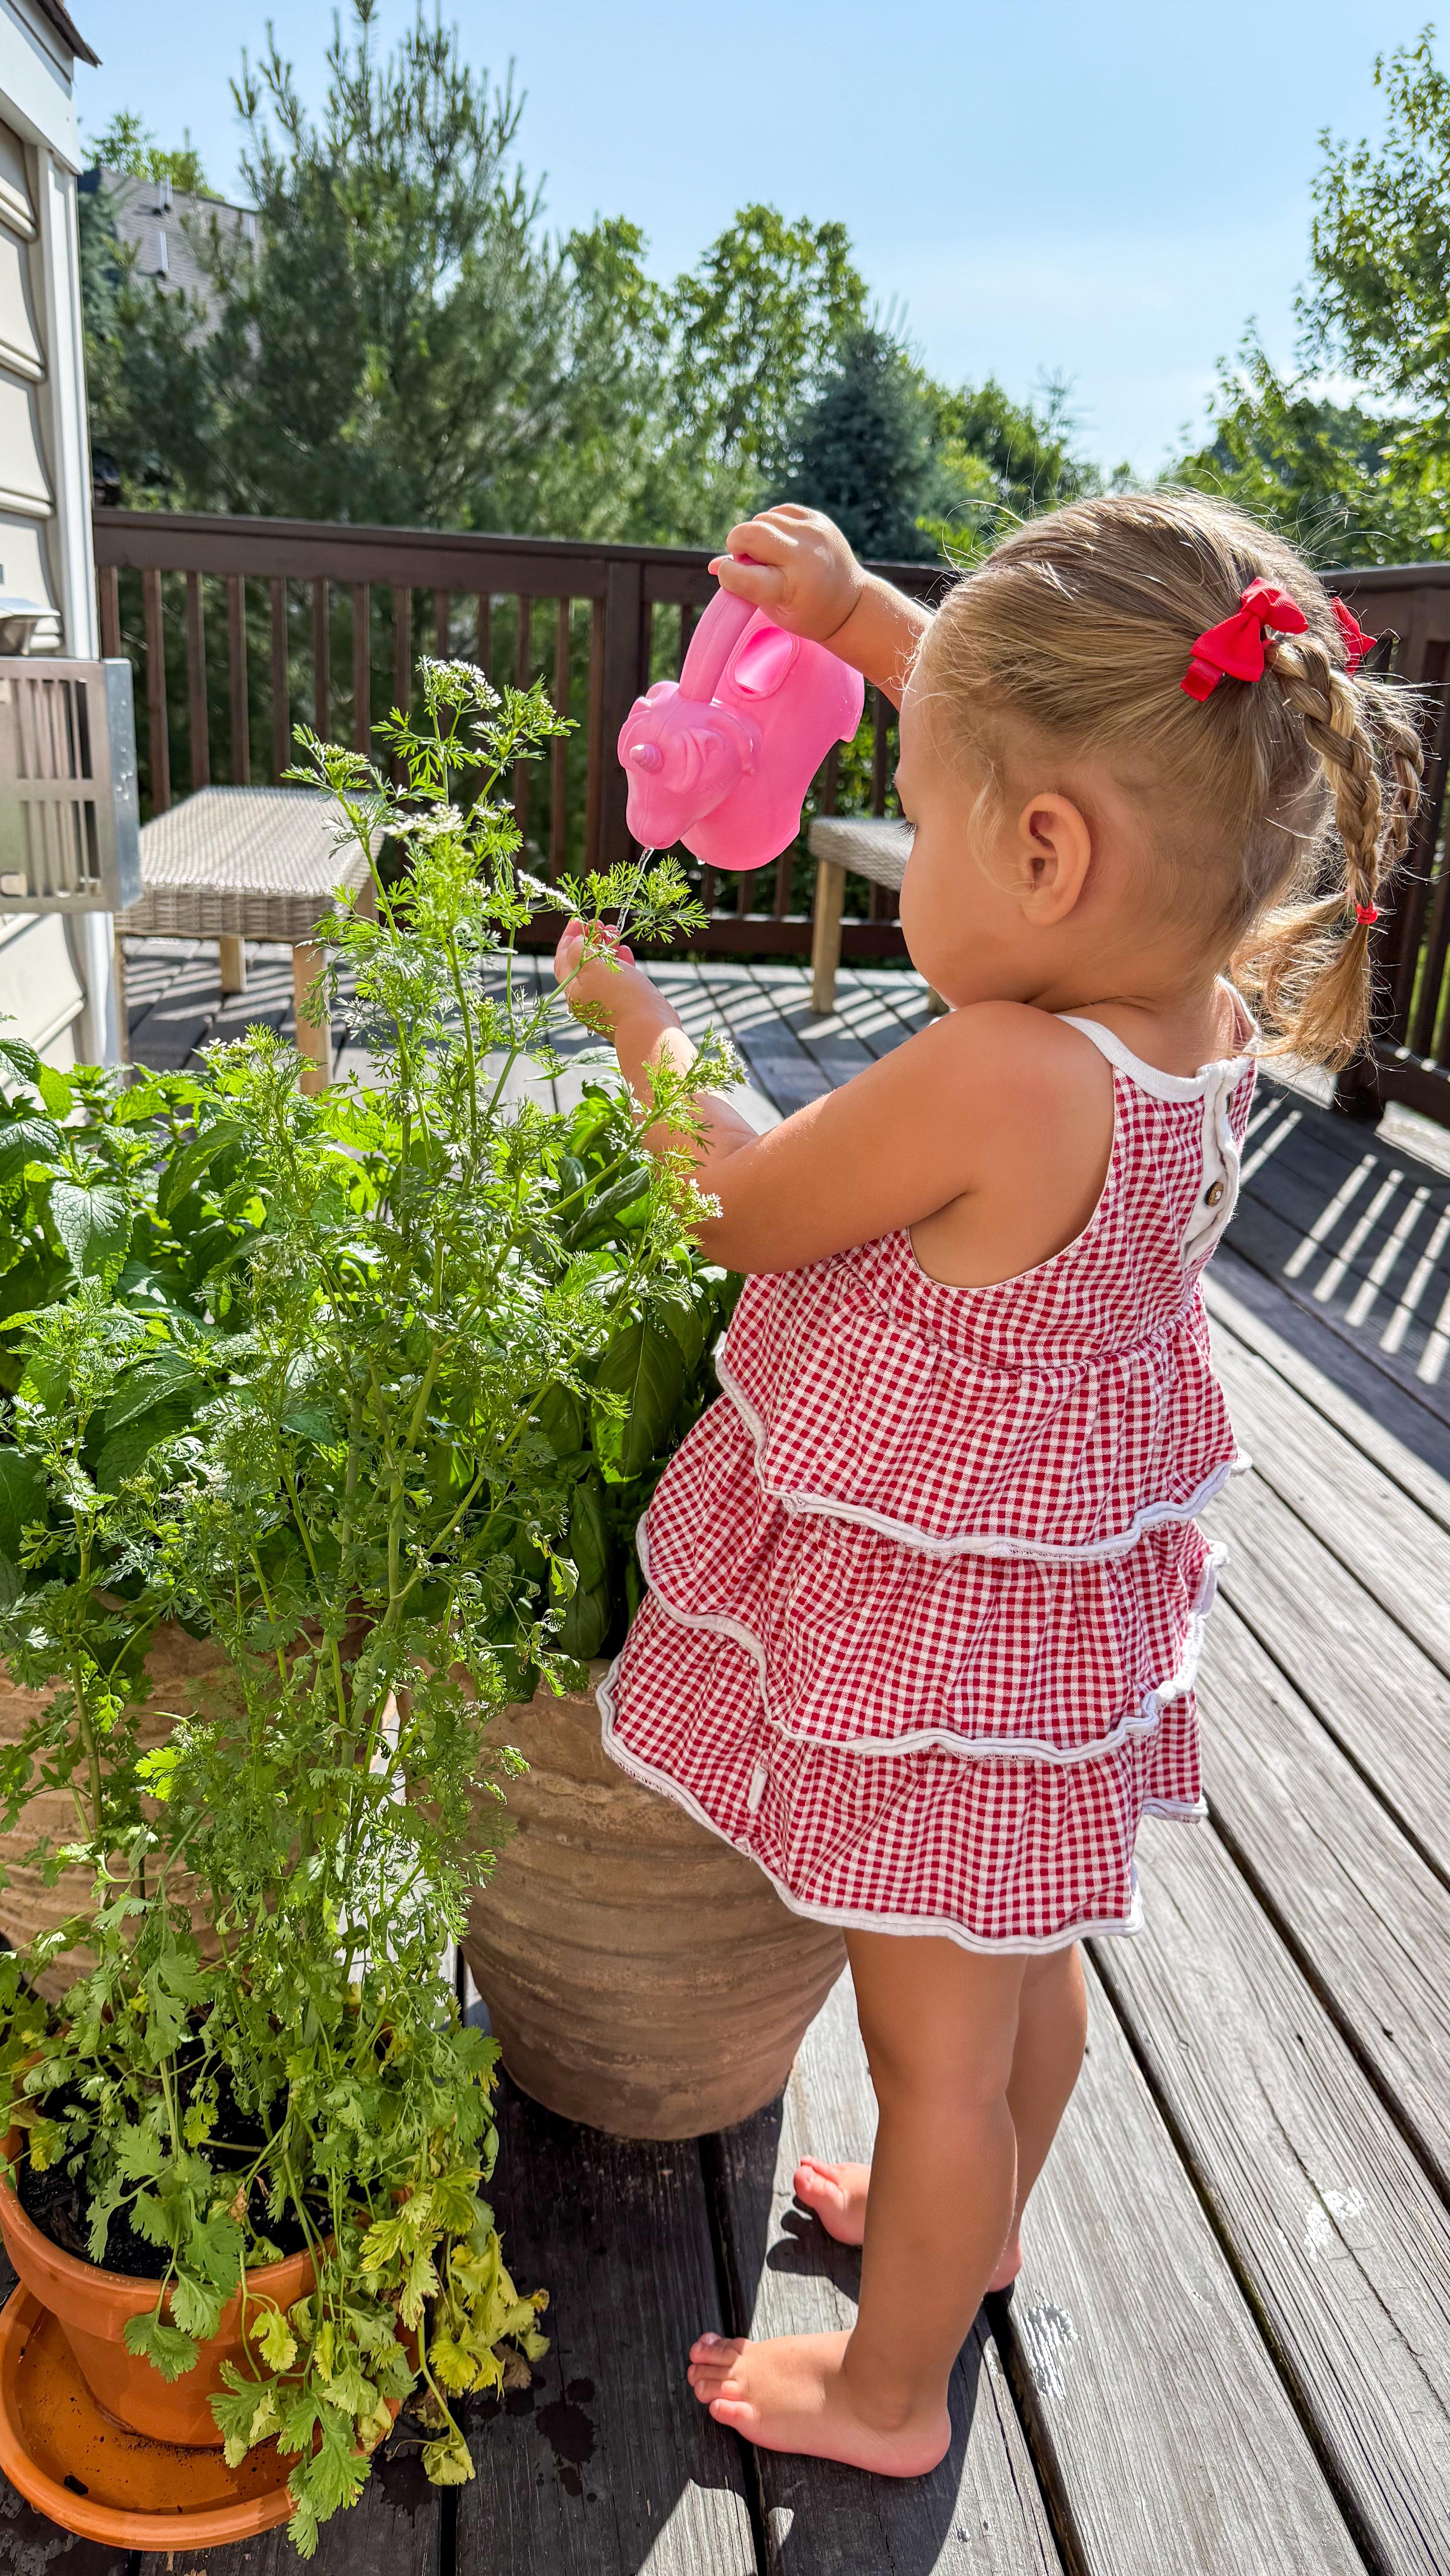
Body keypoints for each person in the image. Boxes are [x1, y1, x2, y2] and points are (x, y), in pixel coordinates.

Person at [552, 493, 1422, 2477]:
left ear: (1042, 854)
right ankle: (992, 2228)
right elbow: (1019, 729)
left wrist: (640, 1025)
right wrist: (861, 617)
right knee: (1024, 1983)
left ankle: (889, 2390)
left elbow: (746, 1205)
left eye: (928, 810)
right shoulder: (1196, 1024)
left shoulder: (1003, 1075)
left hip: (941, 1656)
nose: (914, 817)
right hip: (1060, 1635)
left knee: (927, 2060)